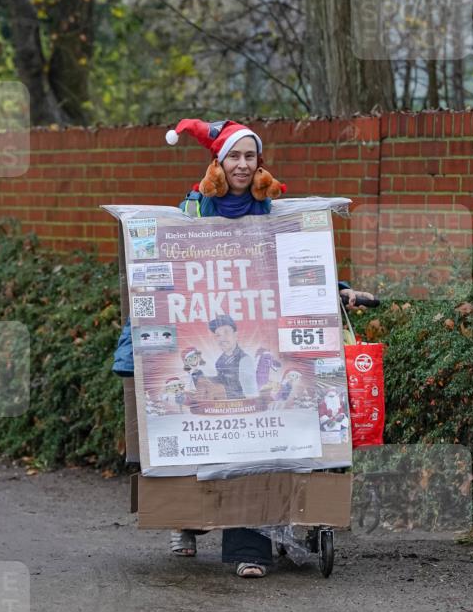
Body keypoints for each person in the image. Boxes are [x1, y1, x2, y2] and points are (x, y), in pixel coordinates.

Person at [113, 117, 370, 577]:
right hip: (199, 339)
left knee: (252, 446)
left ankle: (249, 552)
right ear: (218, 161)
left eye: (251, 157)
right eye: (234, 156)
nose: (243, 165)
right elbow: (163, 258)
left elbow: (295, 258)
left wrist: (340, 288)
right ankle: (187, 521)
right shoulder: (193, 212)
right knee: (201, 434)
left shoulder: (272, 213)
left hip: (262, 341)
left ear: (260, 163)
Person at [208, 315, 258, 399]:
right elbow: (222, 382)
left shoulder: (244, 360)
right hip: (226, 406)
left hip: (241, 406)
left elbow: (250, 391)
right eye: (218, 335)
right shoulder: (219, 362)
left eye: (226, 333)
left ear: (235, 335)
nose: (222, 339)